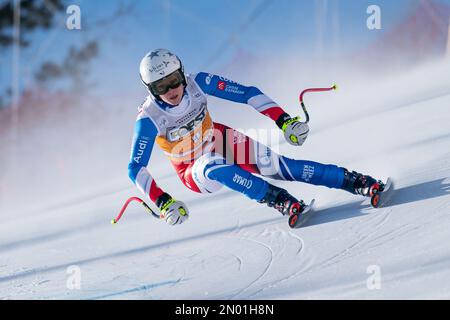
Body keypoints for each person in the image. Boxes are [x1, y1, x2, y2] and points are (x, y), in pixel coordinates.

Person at [128, 49, 382, 226]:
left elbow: (248, 93)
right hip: (192, 169)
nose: (171, 90)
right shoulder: (149, 118)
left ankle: (356, 181)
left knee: (284, 168)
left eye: (173, 80)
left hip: (220, 139)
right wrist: (163, 202)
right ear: (151, 90)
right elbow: (135, 167)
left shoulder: (199, 82)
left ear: (182, 74)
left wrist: (285, 120)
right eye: (161, 87)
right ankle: (277, 199)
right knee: (212, 165)